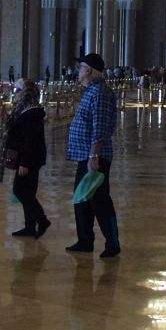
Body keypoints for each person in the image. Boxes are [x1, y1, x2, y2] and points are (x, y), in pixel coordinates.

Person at [66, 52, 120, 257]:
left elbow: (100, 127)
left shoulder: (100, 93)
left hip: (95, 157)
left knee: (100, 201)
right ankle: (85, 240)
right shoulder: (91, 91)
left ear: (88, 71)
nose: (78, 72)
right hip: (85, 155)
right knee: (81, 199)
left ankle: (112, 244)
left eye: (81, 68)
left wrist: (94, 156)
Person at [0, 78, 50, 238]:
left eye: (17, 90)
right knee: (28, 191)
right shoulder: (25, 108)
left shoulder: (30, 111)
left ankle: (42, 220)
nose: (15, 94)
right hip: (28, 157)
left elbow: (30, 139)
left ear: (24, 92)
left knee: (19, 190)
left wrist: (25, 163)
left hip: (29, 159)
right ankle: (30, 226)